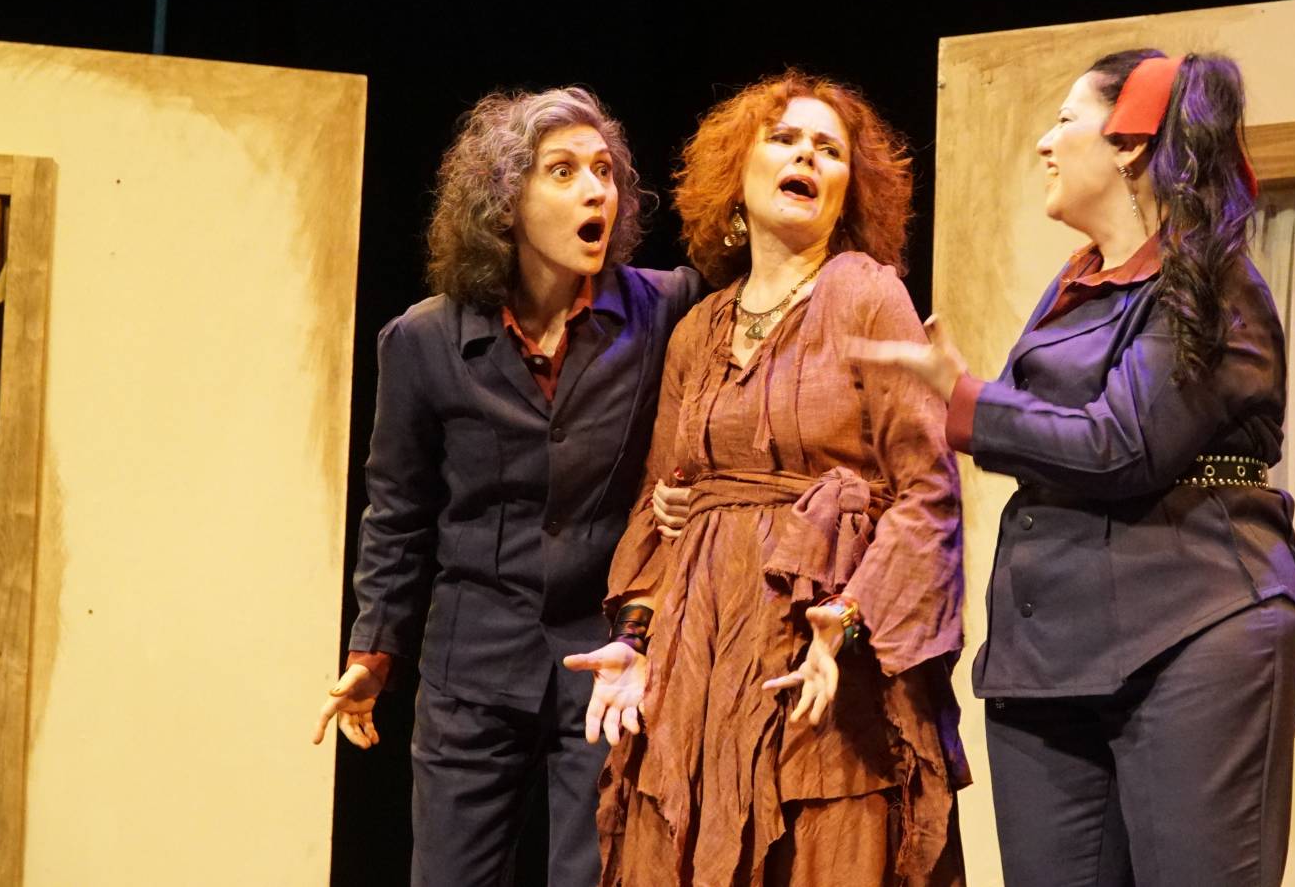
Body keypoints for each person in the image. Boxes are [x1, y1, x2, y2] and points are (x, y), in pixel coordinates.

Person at [857, 49, 1295, 886]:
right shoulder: (1075, 286)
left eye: (1066, 120)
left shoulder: (1210, 281)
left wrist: (966, 398)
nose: (1044, 142)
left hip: (1191, 628)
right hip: (1052, 653)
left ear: (1129, 144)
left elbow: (1122, 442)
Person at [564, 72, 968, 886]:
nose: (806, 156)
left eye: (828, 149)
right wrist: (636, 640)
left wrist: (847, 620)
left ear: (848, 190)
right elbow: (658, 504)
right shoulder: (698, 329)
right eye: (784, 140)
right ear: (737, 177)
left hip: (820, 668)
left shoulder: (867, 295)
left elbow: (927, 491)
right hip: (700, 670)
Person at [312, 87, 705, 886]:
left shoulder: (664, 308)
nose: (595, 191)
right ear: (505, 202)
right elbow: (399, 511)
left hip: (605, 657)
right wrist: (374, 648)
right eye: (563, 172)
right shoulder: (425, 338)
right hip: (473, 661)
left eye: (604, 172)